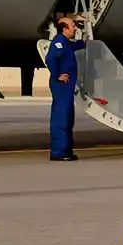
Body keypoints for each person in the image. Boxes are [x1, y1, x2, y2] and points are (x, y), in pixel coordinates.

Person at [46, 15, 82, 161]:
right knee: (61, 118)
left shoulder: (66, 43)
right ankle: (58, 152)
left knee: (67, 118)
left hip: (67, 87)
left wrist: (85, 41)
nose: (75, 28)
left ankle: (66, 150)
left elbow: (76, 46)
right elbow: (50, 58)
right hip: (61, 86)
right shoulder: (59, 42)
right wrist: (57, 75)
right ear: (65, 29)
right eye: (73, 26)